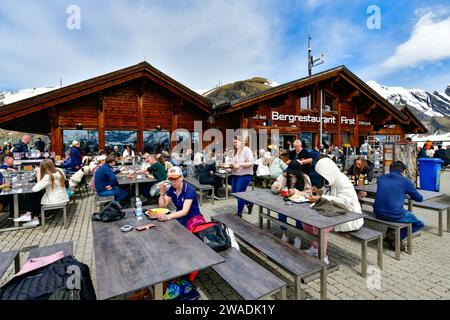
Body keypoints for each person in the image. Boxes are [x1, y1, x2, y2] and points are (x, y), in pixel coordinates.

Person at [303, 156, 364, 264]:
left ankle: (323, 256)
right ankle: (315, 248)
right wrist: (319, 192)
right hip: (335, 212)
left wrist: (321, 198)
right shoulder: (331, 179)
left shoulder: (343, 181)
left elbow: (345, 202)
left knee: (323, 226)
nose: (322, 177)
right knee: (306, 222)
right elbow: (327, 193)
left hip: (350, 217)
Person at [373, 161, 424, 251]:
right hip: (395, 214)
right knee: (419, 223)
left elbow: (389, 191)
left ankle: (391, 234)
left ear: (391, 170)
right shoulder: (405, 181)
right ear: (404, 171)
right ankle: (396, 237)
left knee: (394, 209)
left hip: (378, 213)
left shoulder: (381, 178)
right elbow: (419, 198)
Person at [13, 159, 69, 227]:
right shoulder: (60, 171)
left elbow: (35, 188)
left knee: (35, 194)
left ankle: (30, 215)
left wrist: (38, 173)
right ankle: (33, 217)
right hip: (63, 196)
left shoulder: (48, 176)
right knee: (37, 195)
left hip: (55, 199)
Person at [271, 161, 312, 247]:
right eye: (290, 172)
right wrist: (275, 186)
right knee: (281, 213)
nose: (291, 174)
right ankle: (284, 233)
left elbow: (308, 193)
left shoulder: (305, 177)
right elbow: (275, 188)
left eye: (294, 173)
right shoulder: (285, 175)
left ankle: (298, 236)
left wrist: (295, 192)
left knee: (298, 218)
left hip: (300, 203)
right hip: (286, 201)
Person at [227, 136, 254, 216]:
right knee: (234, 193)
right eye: (234, 143)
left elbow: (251, 163)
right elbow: (233, 165)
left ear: (241, 141)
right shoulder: (235, 151)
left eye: (236, 142)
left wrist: (240, 164)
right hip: (235, 174)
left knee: (239, 194)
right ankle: (248, 203)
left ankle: (239, 214)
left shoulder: (247, 150)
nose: (235, 144)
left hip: (244, 175)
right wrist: (228, 168)